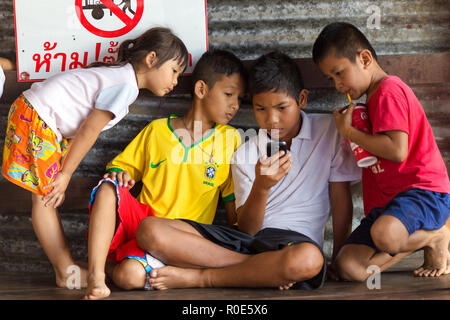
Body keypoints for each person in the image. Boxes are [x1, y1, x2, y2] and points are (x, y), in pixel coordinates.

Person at [134, 51, 361, 290]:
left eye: (282, 108)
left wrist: (337, 256)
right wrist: (262, 187)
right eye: (260, 109)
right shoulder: (246, 153)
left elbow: (340, 200)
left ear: (301, 99)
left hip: (294, 245)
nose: (272, 119)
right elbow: (248, 230)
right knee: (150, 229)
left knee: (309, 259)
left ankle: (202, 277)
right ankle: (261, 269)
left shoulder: (329, 132)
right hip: (247, 242)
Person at [1, 27, 188, 288]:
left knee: (45, 196)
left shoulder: (122, 80)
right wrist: (65, 175)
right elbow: (90, 129)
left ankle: (65, 268)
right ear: (152, 59)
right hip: (38, 117)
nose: (176, 81)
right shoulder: (125, 86)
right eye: (174, 71)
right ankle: (65, 269)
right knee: (46, 197)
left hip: (41, 119)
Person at [84, 49, 246, 299]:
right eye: (228, 95)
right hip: (144, 230)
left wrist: (243, 237)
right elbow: (122, 167)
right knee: (107, 189)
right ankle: (96, 276)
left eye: (239, 98)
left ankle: (177, 272)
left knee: (130, 275)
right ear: (201, 89)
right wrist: (121, 175)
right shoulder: (157, 131)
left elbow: (233, 203)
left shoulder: (231, 140)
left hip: (188, 240)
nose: (235, 105)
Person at [312, 22, 450, 280]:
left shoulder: (388, 90)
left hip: (422, 193)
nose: (337, 86)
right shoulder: (370, 101)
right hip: (390, 209)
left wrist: (349, 133)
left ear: (364, 58)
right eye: (331, 79)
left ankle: (437, 234)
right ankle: (413, 239)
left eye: (339, 73)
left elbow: (397, 151)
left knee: (386, 235)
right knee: (348, 267)